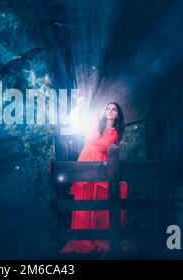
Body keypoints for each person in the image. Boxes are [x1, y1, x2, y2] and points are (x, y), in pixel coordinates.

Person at [59, 102, 131, 253]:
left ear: (117, 115)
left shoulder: (114, 133)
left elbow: (101, 145)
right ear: (104, 112)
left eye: (114, 110)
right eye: (108, 108)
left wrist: (92, 139)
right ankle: (81, 239)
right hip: (84, 165)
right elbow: (88, 138)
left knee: (96, 205)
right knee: (83, 203)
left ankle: (96, 237)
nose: (110, 111)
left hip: (99, 169)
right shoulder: (96, 127)